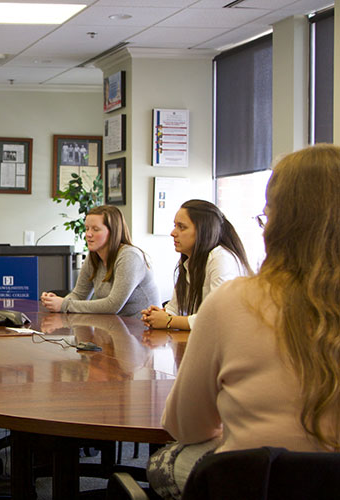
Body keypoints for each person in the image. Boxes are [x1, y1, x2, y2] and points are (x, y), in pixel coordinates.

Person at [146, 144, 340, 499]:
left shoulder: (235, 300)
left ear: (279, 225)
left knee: (166, 461)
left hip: (258, 482)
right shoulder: (196, 270)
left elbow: (184, 425)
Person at [140, 199, 252, 330]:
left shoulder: (221, 258)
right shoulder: (189, 260)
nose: (173, 233)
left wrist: (169, 321)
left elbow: (219, 317)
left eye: (181, 227)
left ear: (203, 231)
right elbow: (175, 307)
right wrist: (160, 315)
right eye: (175, 225)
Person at [40, 205, 159, 316]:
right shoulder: (94, 256)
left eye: (95, 229)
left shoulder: (130, 257)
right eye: (87, 229)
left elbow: (112, 306)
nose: (88, 234)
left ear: (113, 232)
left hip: (142, 331)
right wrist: (56, 302)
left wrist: (64, 305)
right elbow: (79, 295)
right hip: (114, 328)